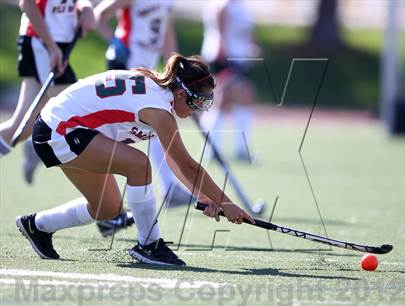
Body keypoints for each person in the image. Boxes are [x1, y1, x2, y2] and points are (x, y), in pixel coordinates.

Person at [15, 54, 255, 266]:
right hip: (60, 129)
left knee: (106, 208)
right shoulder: (160, 110)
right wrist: (226, 203)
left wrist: (206, 197)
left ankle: (37, 225)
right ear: (181, 93)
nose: (199, 109)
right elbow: (187, 166)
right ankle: (150, 244)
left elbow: (176, 163)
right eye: (198, 102)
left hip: (63, 128)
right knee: (139, 164)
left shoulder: (160, 93)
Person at [93, 0, 193, 237]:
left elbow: (167, 35)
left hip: (145, 70)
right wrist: (115, 42)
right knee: (111, 136)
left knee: (156, 127)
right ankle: (107, 210)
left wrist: (178, 72)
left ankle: (168, 188)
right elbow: (98, 16)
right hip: (125, 67)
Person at [0, 0, 95, 183]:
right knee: (76, 115)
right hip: (41, 43)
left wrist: (86, 8)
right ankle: (108, 205)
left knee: (23, 126)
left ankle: (36, 141)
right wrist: (51, 47)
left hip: (55, 45)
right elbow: (27, 4)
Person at [201, 0, 260, 161]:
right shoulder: (223, 5)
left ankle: (238, 149)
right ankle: (213, 149)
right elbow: (219, 32)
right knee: (222, 99)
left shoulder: (241, 6)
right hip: (226, 59)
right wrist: (223, 56)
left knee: (242, 99)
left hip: (240, 60)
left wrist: (252, 47)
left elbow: (246, 32)